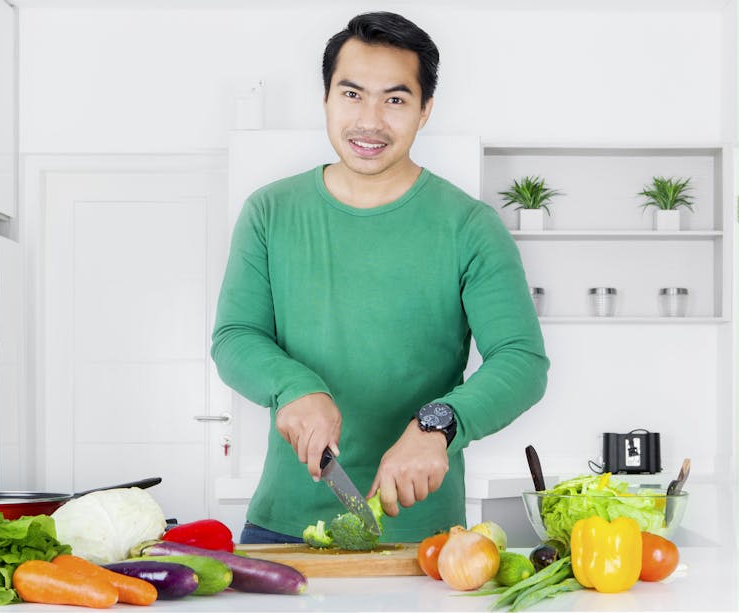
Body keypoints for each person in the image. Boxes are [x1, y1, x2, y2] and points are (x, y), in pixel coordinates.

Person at [210, 11, 548, 544]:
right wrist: (293, 386)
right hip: (284, 526)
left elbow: (522, 361)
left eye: (394, 99)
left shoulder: (469, 226)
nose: (369, 121)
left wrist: (440, 424)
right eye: (351, 95)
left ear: (424, 110)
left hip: (424, 536)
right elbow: (235, 338)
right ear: (325, 99)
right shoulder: (269, 212)